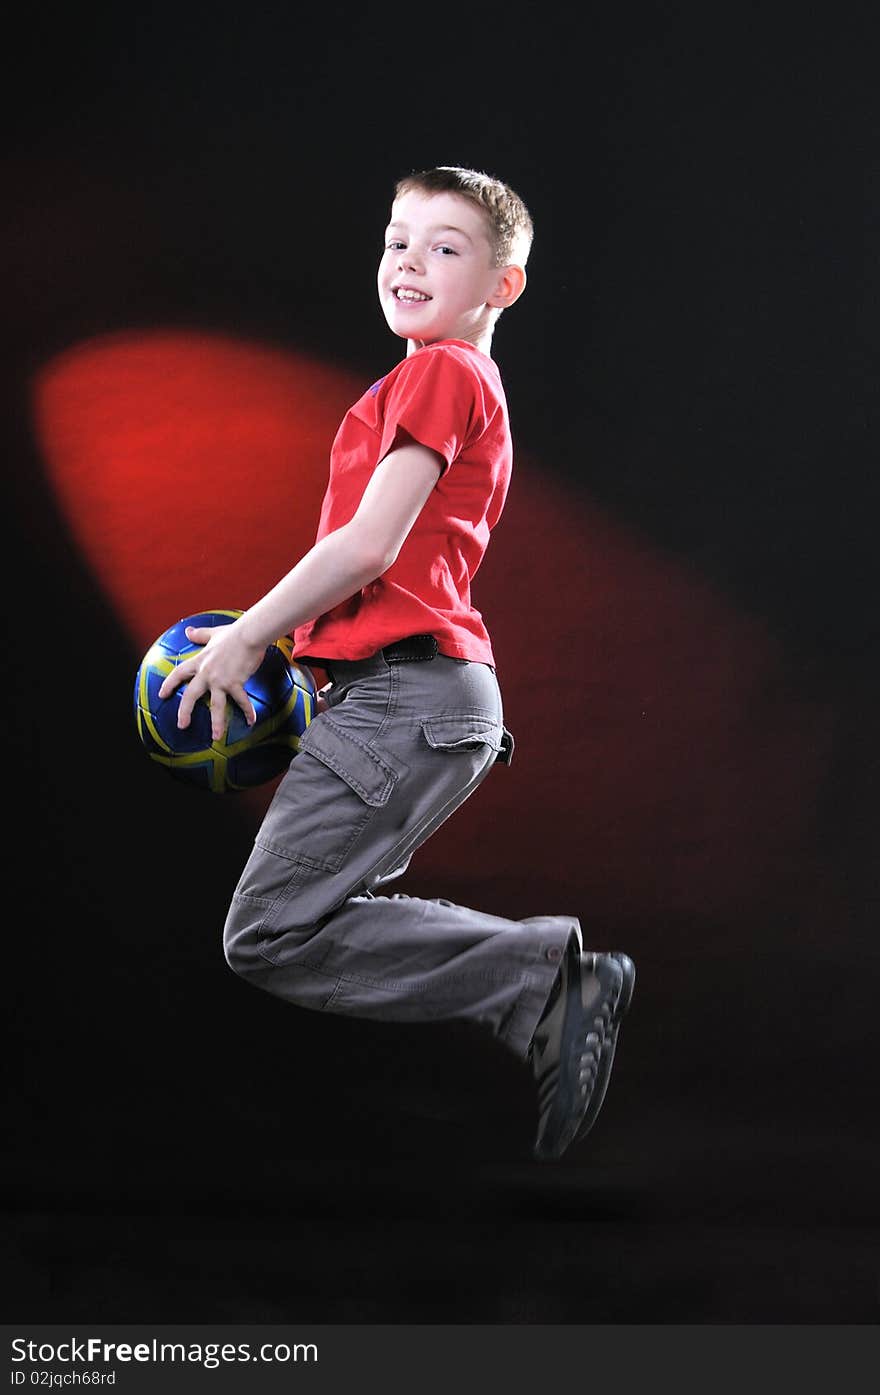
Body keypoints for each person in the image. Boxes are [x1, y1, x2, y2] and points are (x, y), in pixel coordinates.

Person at [158, 165, 635, 1161]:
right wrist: (299, 658)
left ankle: (542, 978)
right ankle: (538, 984)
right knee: (311, 917)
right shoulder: (446, 381)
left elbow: (371, 546)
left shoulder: (442, 372)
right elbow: (389, 568)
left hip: (406, 698)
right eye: (395, 239)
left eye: (445, 247)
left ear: (501, 286)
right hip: (424, 704)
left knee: (270, 934)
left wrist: (252, 635)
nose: (409, 261)